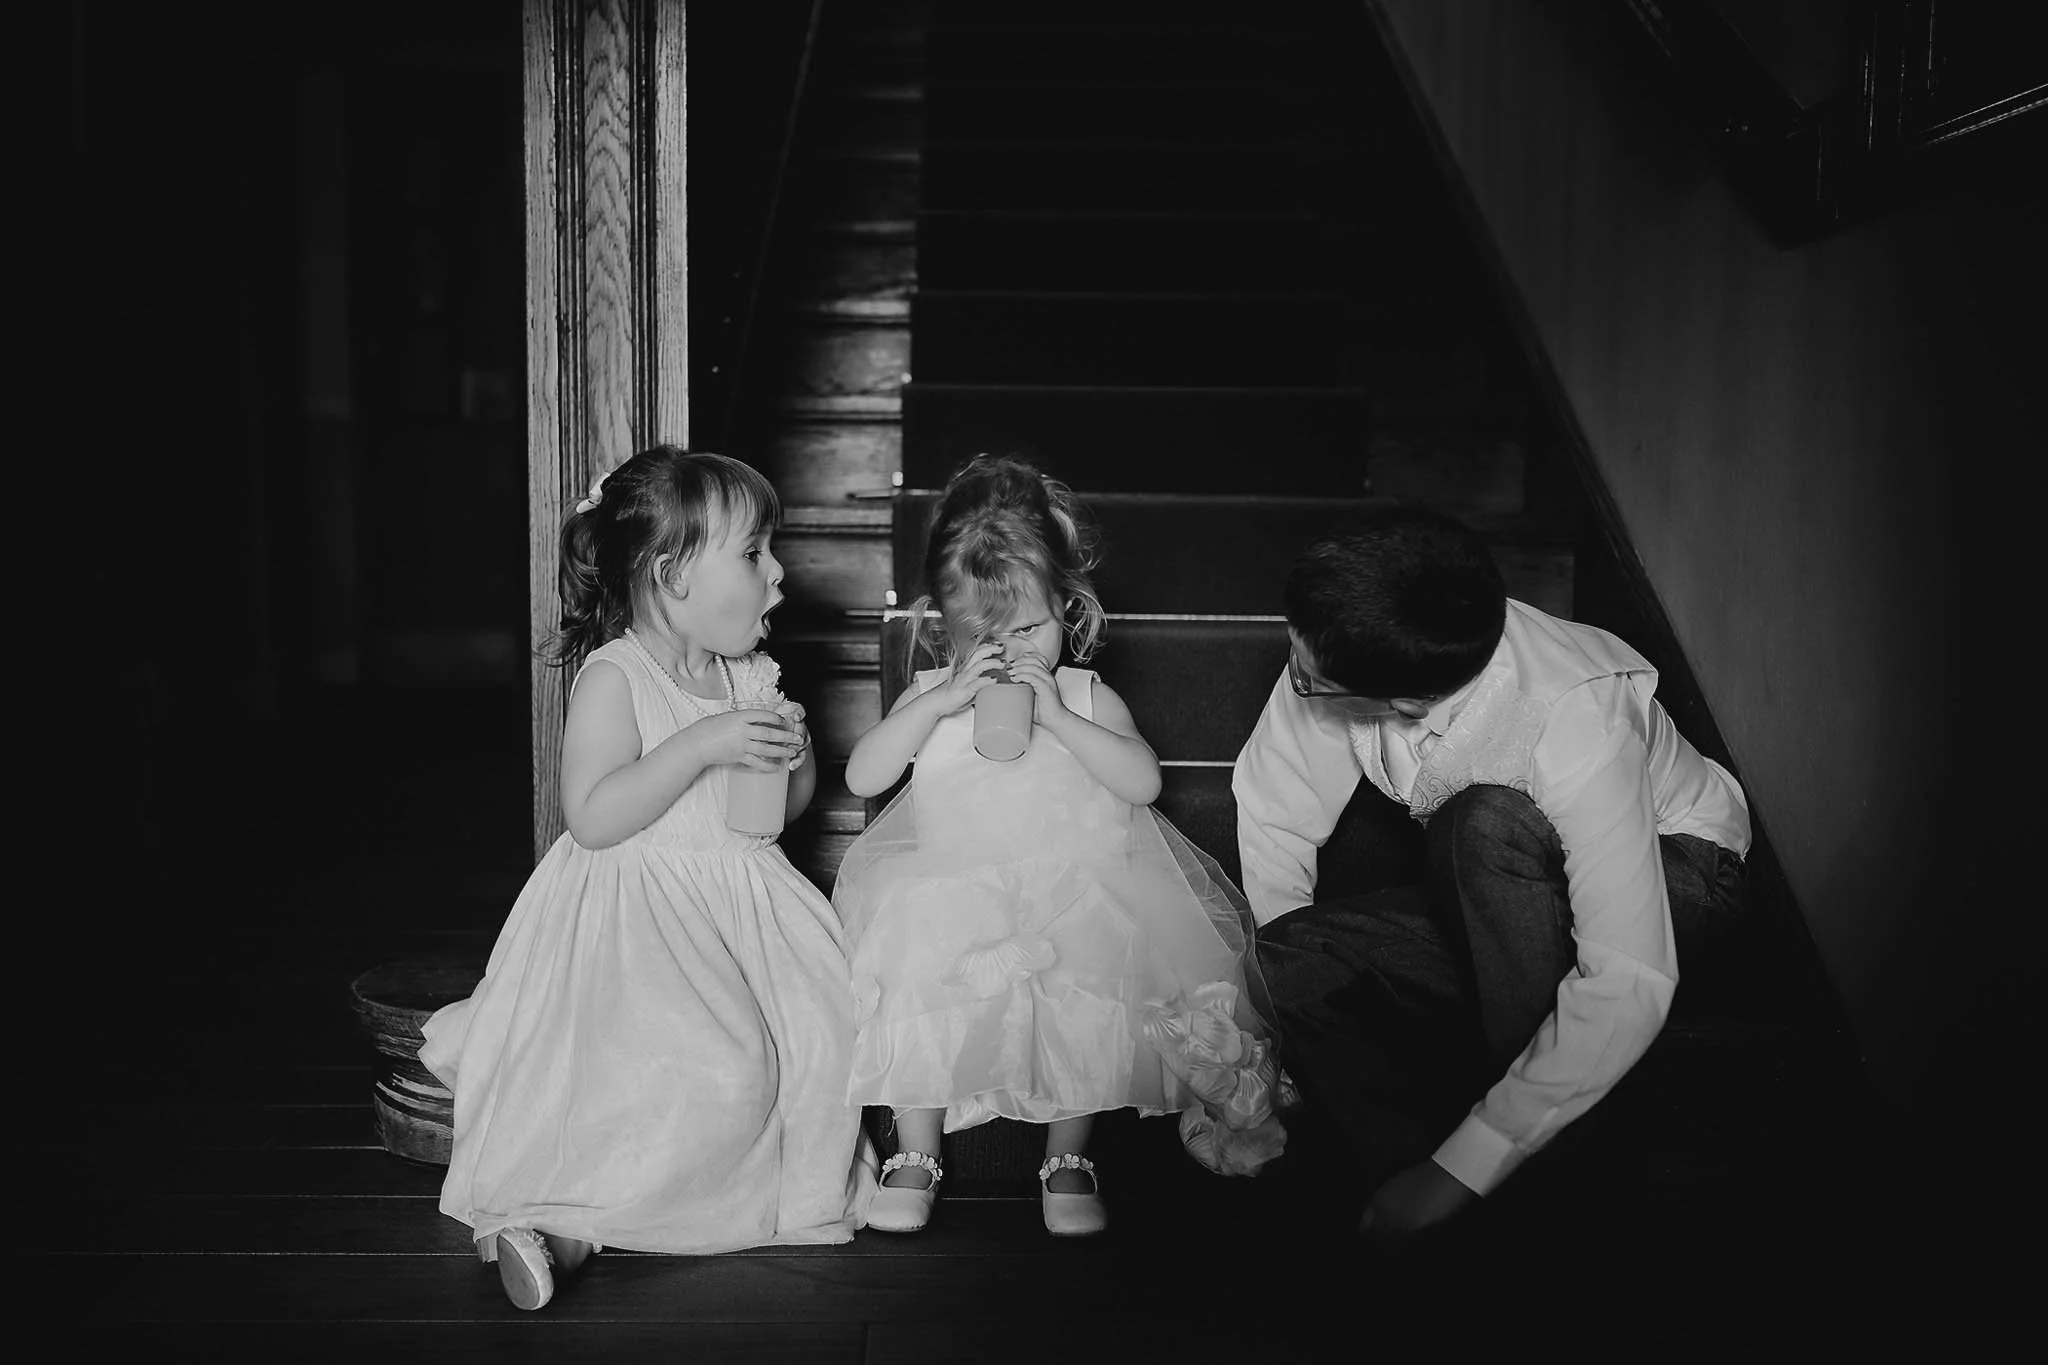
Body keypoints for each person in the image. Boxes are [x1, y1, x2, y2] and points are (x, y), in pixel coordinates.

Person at [420, 447, 876, 1310]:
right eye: (753, 555)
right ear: (670, 576)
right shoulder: (615, 678)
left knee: (823, 1039)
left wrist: (795, 753)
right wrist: (702, 743)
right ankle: (560, 1230)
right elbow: (592, 815)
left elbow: (781, 811)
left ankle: (597, 1218)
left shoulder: (749, 674)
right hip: (637, 928)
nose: (779, 574)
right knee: (708, 1071)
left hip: (743, 912)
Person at [1233, 505, 1750, 1248]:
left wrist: (1467, 1166)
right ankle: (1410, 1196)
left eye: (1308, 678)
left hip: (1684, 874)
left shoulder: (1575, 715)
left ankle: (1521, 1186)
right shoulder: (1344, 645)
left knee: (1482, 820)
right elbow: (1278, 809)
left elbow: (1629, 975)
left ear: (1410, 701)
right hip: (1503, 903)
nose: (1293, 678)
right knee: (1281, 961)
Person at [833, 454, 1285, 1238]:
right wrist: (939, 697)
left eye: (1033, 628)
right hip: (953, 886)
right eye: (987, 635)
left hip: (1069, 889)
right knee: (914, 956)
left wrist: (1060, 716)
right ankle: (917, 1149)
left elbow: (1142, 782)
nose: (1016, 652)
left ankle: (1067, 1155)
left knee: (1092, 968)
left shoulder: (1084, 694)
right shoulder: (934, 700)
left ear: (1065, 606)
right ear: (945, 627)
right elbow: (862, 771)